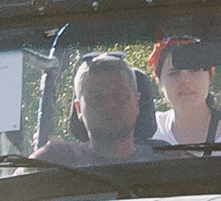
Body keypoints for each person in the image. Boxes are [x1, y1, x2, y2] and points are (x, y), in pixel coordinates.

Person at [32, 55, 162, 166]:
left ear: (137, 103)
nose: (110, 105)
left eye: (119, 96)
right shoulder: (55, 160)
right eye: (97, 98)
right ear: (79, 110)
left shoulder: (164, 162)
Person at [150, 37, 221, 147]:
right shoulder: (150, 131)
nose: (185, 81)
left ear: (210, 76)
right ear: (159, 81)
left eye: (195, 70)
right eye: (174, 73)